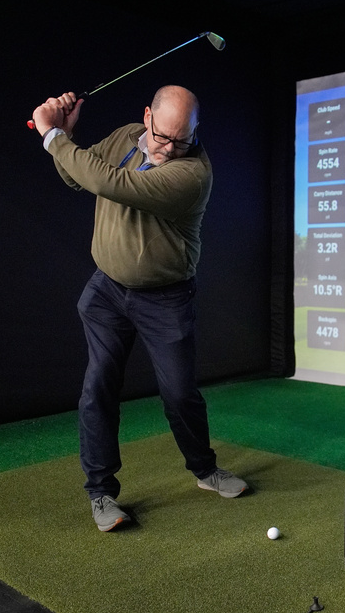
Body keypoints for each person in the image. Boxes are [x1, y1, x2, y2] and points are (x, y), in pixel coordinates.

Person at [31, 85, 248, 532]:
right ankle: (101, 493)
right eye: (162, 136)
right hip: (108, 292)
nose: (169, 149)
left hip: (166, 298)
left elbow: (116, 184)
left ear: (195, 133)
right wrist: (67, 137)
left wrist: (53, 136)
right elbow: (77, 177)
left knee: (179, 394)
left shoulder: (193, 174)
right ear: (146, 116)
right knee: (98, 389)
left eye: (180, 140)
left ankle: (204, 470)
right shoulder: (126, 137)